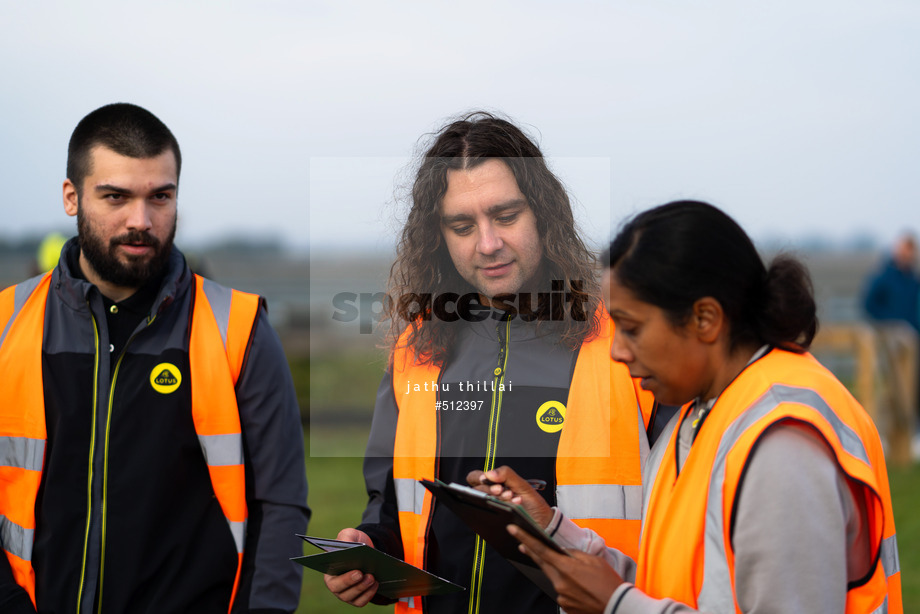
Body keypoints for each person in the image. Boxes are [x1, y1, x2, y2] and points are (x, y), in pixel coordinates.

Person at [473, 201, 902, 613]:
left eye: (632, 328)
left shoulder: (782, 440)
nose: (617, 351)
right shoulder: (698, 413)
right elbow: (675, 589)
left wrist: (615, 606)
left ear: (705, 319)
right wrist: (552, 531)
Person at [323, 112, 659, 614]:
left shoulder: (627, 344)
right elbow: (391, 508)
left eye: (505, 216)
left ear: (543, 213)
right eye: (463, 225)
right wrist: (371, 550)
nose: (488, 243)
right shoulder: (415, 349)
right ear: (438, 236)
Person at [0, 103, 309, 613]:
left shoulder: (239, 328)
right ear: (71, 197)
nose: (140, 221)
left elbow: (281, 504)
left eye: (160, 197)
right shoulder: (8, 324)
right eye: (116, 197)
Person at [863, 233, 920, 333]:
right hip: (890, 337)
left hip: (913, 337)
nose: (907, 254)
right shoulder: (883, 277)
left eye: (910, 250)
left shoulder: (914, 281)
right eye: (904, 250)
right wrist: (890, 322)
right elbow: (869, 305)